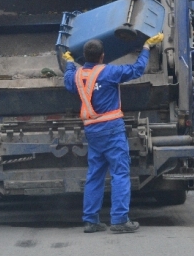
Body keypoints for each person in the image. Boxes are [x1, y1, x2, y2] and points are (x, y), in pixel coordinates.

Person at [63, 33, 164, 234]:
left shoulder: (77, 76)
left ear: (85, 56)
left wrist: (69, 63)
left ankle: (91, 221)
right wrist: (145, 48)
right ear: (102, 56)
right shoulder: (110, 72)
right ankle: (119, 220)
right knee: (119, 173)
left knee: (95, 174)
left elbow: (67, 80)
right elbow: (136, 70)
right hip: (112, 129)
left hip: (92, 130)